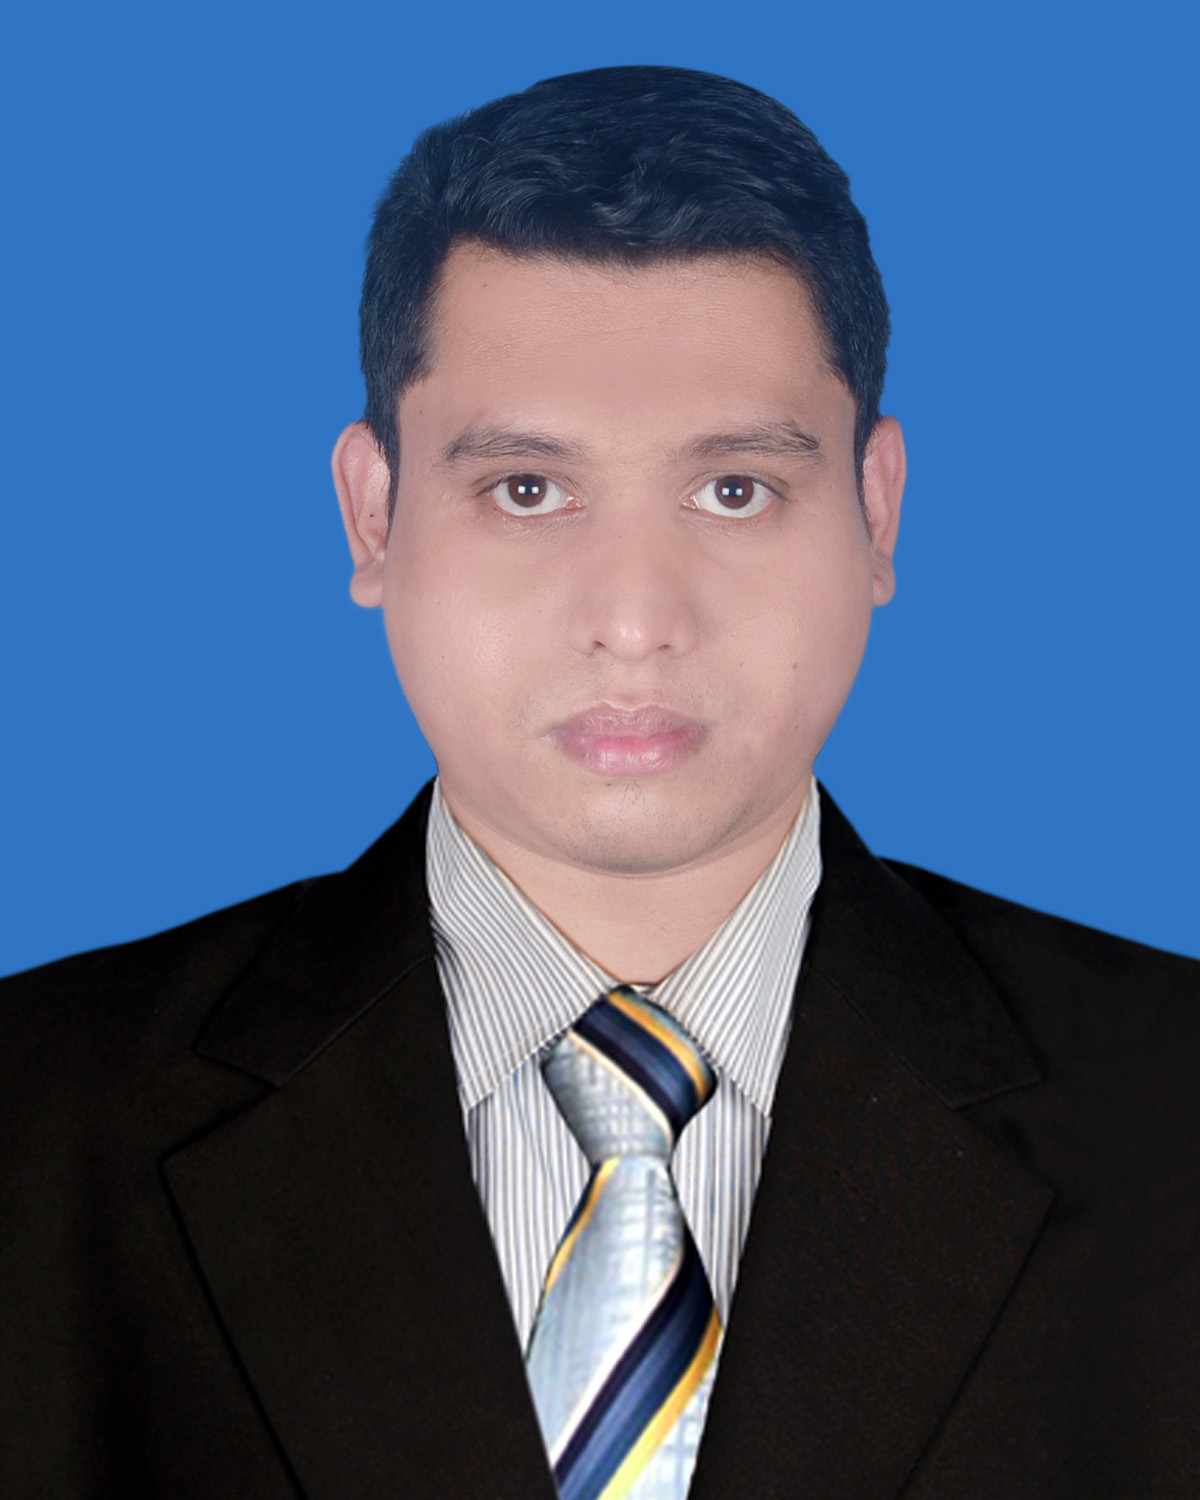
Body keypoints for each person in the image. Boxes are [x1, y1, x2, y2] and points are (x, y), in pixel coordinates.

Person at [2, 62, 1197, 1500]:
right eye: (528, 490)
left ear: (877, 513)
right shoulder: (35, 1119)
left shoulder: (1171, 1110)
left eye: (734, 490)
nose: (635, 621)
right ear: (374, 515)